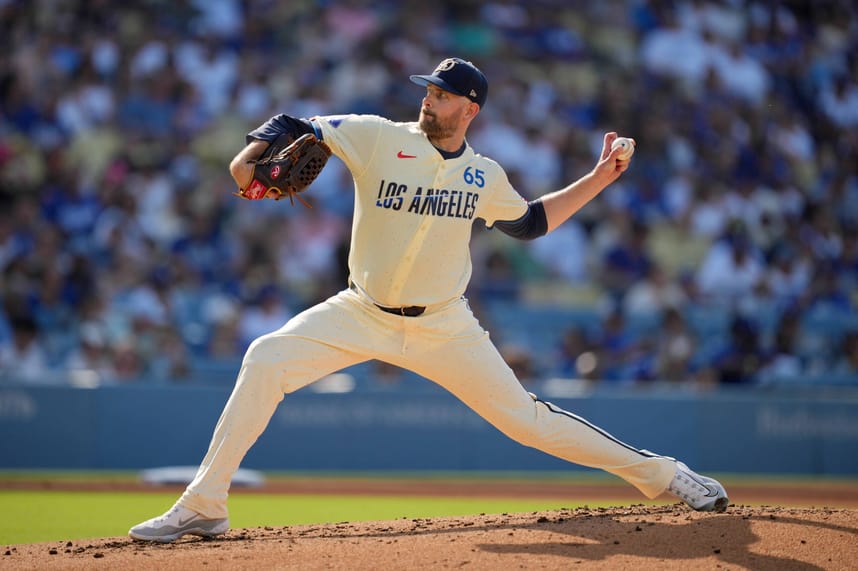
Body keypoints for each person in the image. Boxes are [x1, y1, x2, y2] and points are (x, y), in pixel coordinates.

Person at [129, 57, 728, 543]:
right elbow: (298, 127)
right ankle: (205, 504)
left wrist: (599, 178)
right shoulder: (378, 136)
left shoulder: (483, 174)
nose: (429, 99)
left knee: (528, 422)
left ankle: (665, 474)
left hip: (444, 325)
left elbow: (530, 224)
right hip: (361, 311)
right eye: (429, 90)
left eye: (443, 95)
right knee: (265, 357)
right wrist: (253, 155)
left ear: (470, 109)